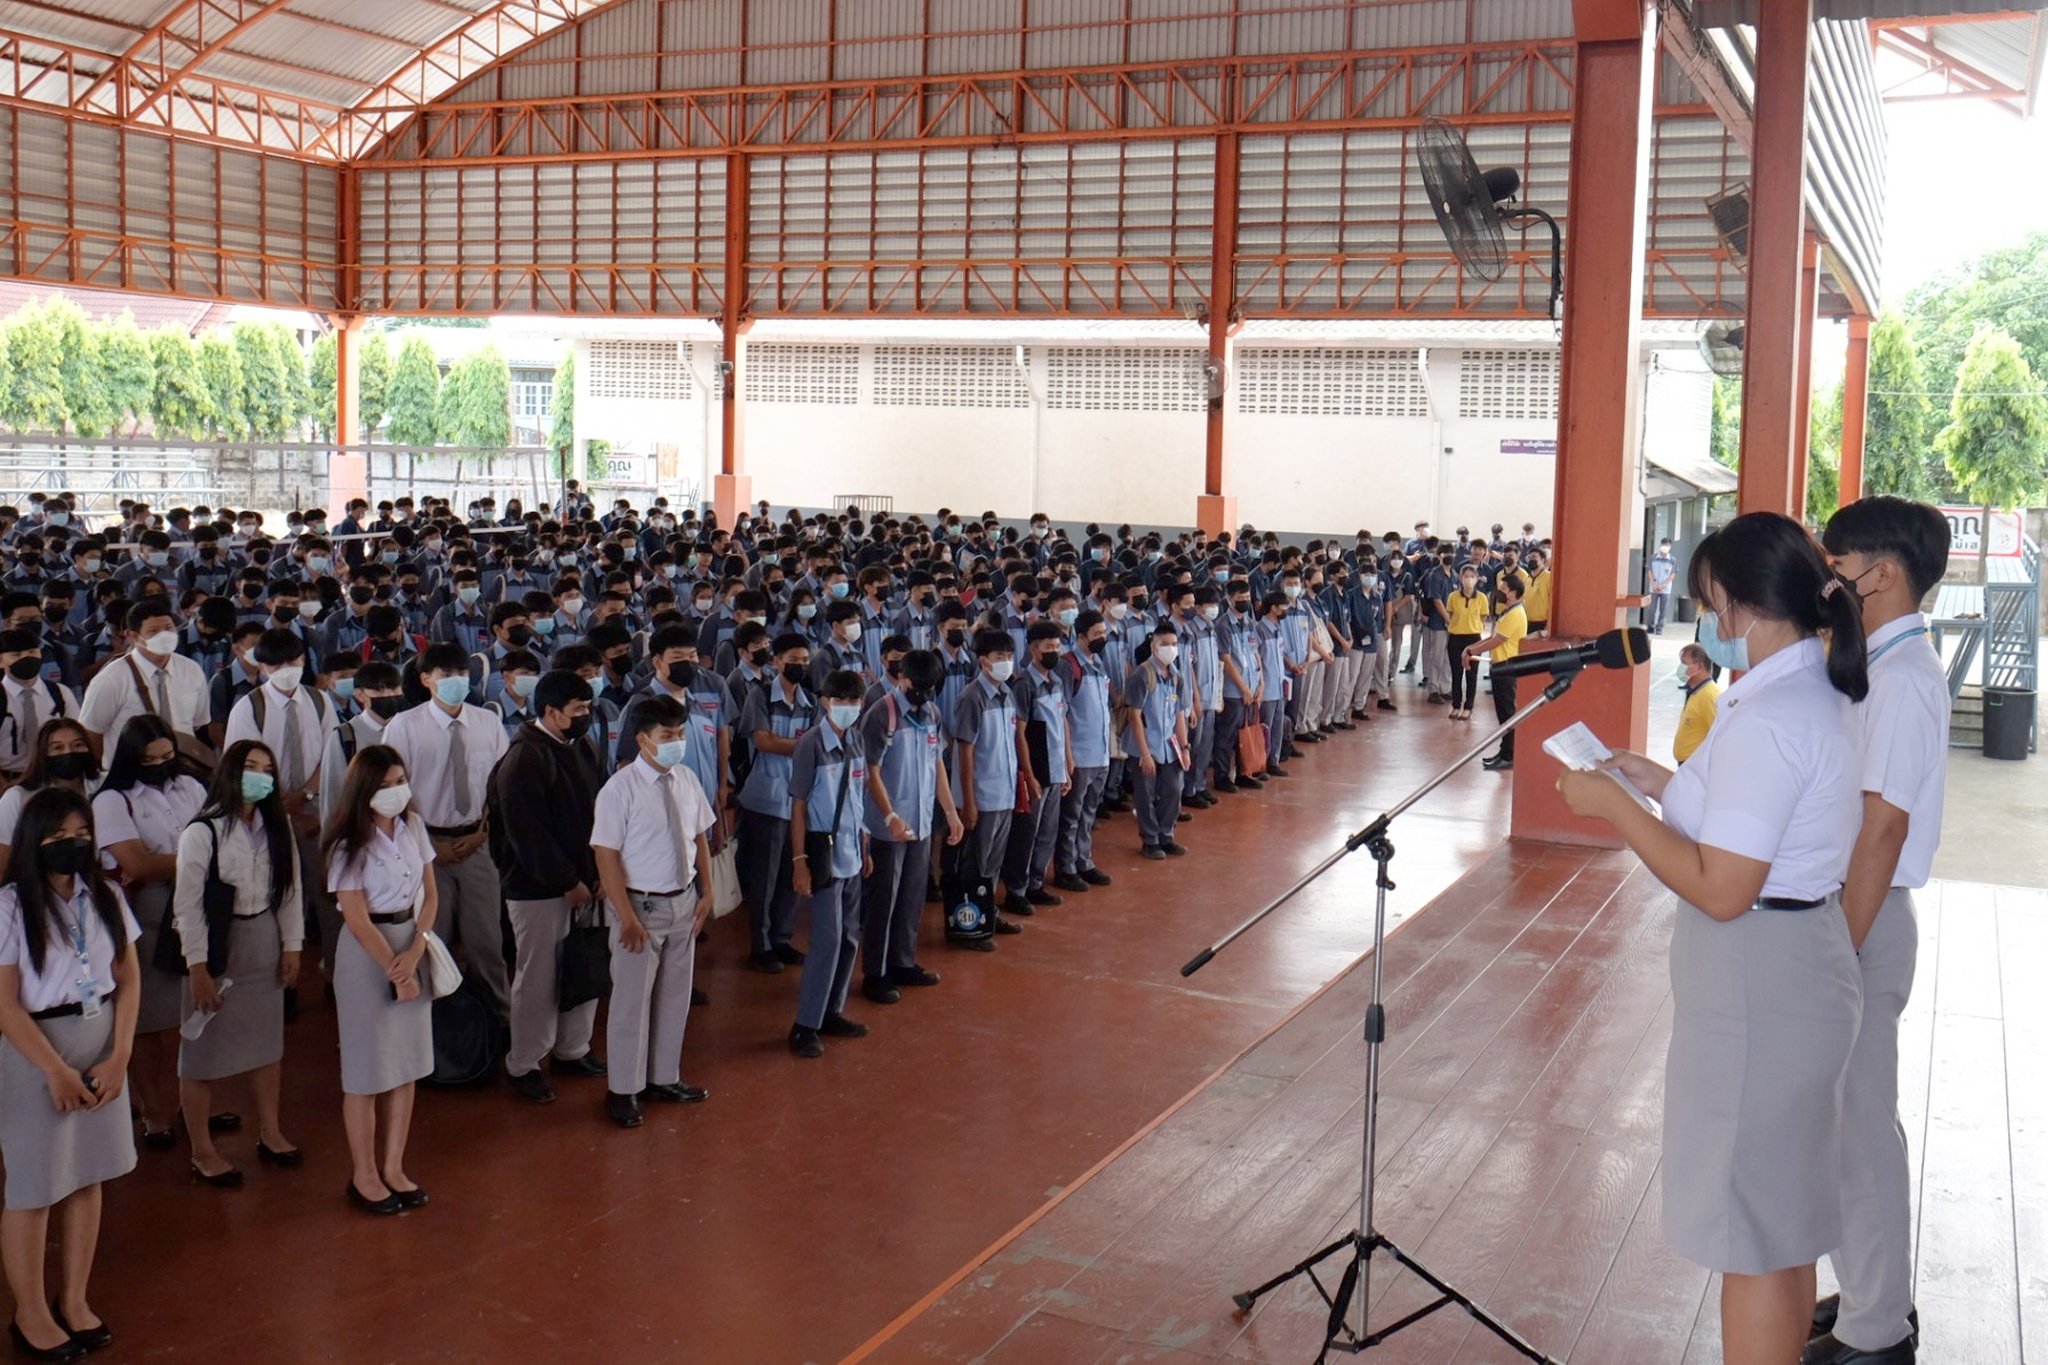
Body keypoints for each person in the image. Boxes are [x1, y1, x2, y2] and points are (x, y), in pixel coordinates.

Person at [1557, 511, 1868, 1365]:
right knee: (1782, 1226)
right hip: (1795, 970)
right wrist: (1656, 783)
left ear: (1734, 603)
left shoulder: (1773, 715)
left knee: (1751, 1237)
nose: (1709, 620)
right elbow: (1748, 823)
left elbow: (1723, 887)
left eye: (1709, 603)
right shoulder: (1803, 692)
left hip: (1758, 988)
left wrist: (1619, 811)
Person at [1806, 498, 1953, 1365]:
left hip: (1863, 915)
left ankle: (1876, 1334)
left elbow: (1882, 829)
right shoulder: (1881, 665)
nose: (1831, 581)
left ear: (1882, 573)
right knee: (1849, 1128)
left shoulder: (1902, 680)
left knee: (1860, 1132)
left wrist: (1838, 946)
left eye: (1838, 566)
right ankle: (1871, 1296)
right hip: (1855, 909)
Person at [0, 788, 138, 1362]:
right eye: (57, 836)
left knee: (87, 1176)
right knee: (34, 1188)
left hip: (102, 1043)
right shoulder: (9, 906)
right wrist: (55, 1071)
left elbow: (128, 979)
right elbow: (5, 1004)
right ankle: (29, 1312)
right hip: (37, 1053)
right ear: (34, 842)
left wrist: (120, 1055)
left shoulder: (103, 894)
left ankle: (74, 1299)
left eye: (80, 833)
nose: (71, 844)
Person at [171, 740, 305, 1188]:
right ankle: (202, 1150)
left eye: (267, 769)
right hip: (217, 944)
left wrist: (293, 945)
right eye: (251, 767)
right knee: (202, 1053)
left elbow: (290, 889)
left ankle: (270, 1130)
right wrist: (197, 967)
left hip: (263, 934)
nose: (260, 776)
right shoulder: (203, 831)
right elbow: (187, 906)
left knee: (268, 1045)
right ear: (231, 771)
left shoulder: (276, 824)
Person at [589, 694, 714, 1129]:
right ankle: (623, 1089)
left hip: (683, 902)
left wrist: (707, 891)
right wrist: (624, 916)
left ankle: (664, 1076)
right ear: (643, 740)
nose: (676, 742)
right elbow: (606, 857)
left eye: (680, 735)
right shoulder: (618, 790)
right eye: (668, 736)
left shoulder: (686, 779)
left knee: (675, 997)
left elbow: (699, 838)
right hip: (640, 907)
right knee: (630, 1003)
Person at [321, 743, 436, 1216]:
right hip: (368, 953)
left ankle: (394, 1166)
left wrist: (416, 950)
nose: (395, 792)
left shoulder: (413, 826)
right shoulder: (349, 842)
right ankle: (363, 1172)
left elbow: (430, 894)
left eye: (400, 782)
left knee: (404, 1065)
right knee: (367, 1070)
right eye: (385, 785)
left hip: (411, 938)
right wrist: (395, 965)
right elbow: (356, 917)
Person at [490, 670, 606, 1105]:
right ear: (552, 713)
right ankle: (524, 1062)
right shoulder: (525, 759)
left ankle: (573, 1048)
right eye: (578, 711)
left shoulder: (579, 746)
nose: (586, 717)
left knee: (584, 965)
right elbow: (527, 836)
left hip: (585, 881)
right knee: (538, 978)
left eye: (588, 708)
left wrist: (596, 873)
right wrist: (568, 881)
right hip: (538, 888)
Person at [91, 716, 207, 1151]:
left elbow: (216, 837)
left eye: (167, 756)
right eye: (150, 759)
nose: (161, 765)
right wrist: (196, 860)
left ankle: (189, 1103)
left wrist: (189, 860)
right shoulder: (113, 800)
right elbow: (136, 863)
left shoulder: (190, 788)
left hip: (193, 909)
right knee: (147, 1021)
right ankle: (154, 1111)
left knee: (189, 1015)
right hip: (145, 913)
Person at [380, 644, 509, 1018]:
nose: (456, 682)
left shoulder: (486, 722)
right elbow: (393, 791)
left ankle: (498, 1019)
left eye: (461, 675)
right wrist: (431, 843)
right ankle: (437, 1027)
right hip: (426, 847)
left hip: (477, 843)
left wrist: (482, 834)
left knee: (487, 939)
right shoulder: (404, 726)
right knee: (432, 939)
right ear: (426, 680)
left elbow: (499, 786)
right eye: (445, 675)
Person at [856, 651, 961, 1003]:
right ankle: (875, 973)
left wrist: (950, 811)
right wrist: (889, 816)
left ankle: (903, 962)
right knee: (883, 899)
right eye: (918, 686)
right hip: (889, 826)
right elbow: (870, 771)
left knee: (913, 896)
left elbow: (938, 766)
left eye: (930, 687)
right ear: (902, 679)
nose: (923, 693)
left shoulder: (931, 713)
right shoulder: (881, 715)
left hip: (921, 821)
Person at [787, 671, 874, 1057]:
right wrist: (799, 860)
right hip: (823, 855)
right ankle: (805, 1024)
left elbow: (858, 796)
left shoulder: (855, 739)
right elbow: (799, 805)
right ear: (825, 702)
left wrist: (865, 848)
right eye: (842, 702)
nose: (850, 709)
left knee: (850, 936)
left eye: (856, 702)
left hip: (853, 854)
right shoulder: (810, 745)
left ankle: (831, 1011)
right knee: (827, 940)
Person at [75, 599, 213, 763]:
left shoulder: (192, 670)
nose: (165, 636)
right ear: (133, 636)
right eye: (154, 631)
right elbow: (91, 733)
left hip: (180, 772)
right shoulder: (111, 678)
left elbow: (198, 723)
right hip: (130, 775)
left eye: (169, 628)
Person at [0, 720, 99, 881]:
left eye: (78, 745)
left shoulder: (103, 788)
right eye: (57, 747)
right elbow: (2, 861)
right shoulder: (18, 797)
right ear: (43, 753)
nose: (69, 753)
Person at [1125, 623, 1189, 860]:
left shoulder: (1176, 677)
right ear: (1153, 646)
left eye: (1173, 644)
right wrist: (1144, 754)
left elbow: (1179, 714)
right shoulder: (1143, 674)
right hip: (1146, 745)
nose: (1170, 649)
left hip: (1170, 746)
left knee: (1173, 789)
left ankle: (1167, 835)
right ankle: (1150, 840)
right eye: (1164, 644)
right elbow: (1134, 715)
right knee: (1146, 795)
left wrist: (1185, 747)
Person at [1463, 574, 1527, 771]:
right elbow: (1492, 637)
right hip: (1500, 665)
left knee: (1507, 714)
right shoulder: (1508, 612)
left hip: (1507, 667)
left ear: (1513, 592)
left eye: (1504, 588)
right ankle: (1504, 750)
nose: (1501, 591)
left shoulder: (1516, 614)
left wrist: (1472, 650)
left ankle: (1509, 755)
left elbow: (1497, 641)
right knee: (1502, 714)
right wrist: (1471, 647)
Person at [1442, 562, 1488, 722]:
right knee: (1456, 674)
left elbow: (1483, 616)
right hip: (1455, 638)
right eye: (1466, 576)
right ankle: (1456, 705)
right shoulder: (1453, 596)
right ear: (1461, 578)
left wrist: (1475, 625)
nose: (1469, 579)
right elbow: (1450, 614)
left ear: (1477, 579)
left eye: (1472, 576)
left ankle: (1468, 707)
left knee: (1471, 675)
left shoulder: (1482, 598)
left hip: (1473, 639)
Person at [1673, 643, 1723, 763]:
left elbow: (1718, 736)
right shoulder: (1696, 692)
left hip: (1695, 766)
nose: (1681, 667)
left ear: (1699, 666)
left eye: (1684, 663)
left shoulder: (1709, 696)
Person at [1648, 537, 1676, 634]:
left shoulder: (1672, 560)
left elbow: (1673, 574)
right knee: (1651, 609)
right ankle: (1650, 627)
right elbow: (1649, 571)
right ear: (1660, 545)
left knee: (1663, 610)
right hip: (1653, 588)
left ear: (1670, 547)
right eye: (1663, 545)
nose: (1665, 547)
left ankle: (1659, 628)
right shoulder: (1653, 558)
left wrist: (1663, 585)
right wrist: (1654, 583)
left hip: (1666, 589)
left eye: (1667, 545)